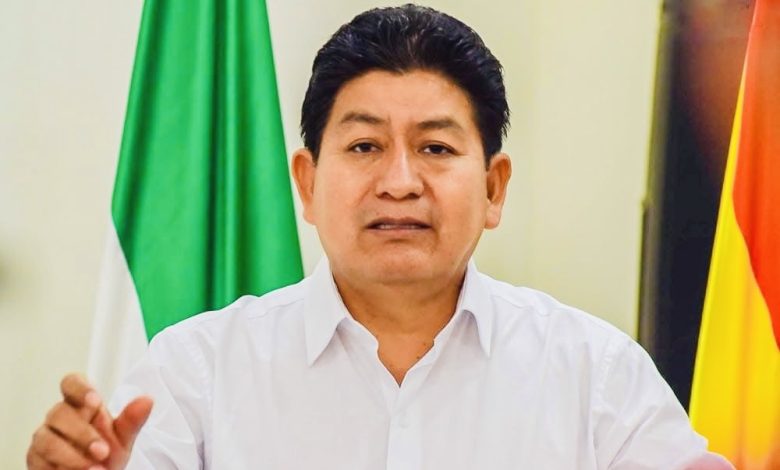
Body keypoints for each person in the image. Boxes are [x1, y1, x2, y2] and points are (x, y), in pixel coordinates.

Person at [27, 5, 726, 469]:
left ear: (494, 188)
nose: (399, 182)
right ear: (307, 183)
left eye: (435, 148)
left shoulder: (594, 372)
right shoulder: (196, 371)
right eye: (364, 147)